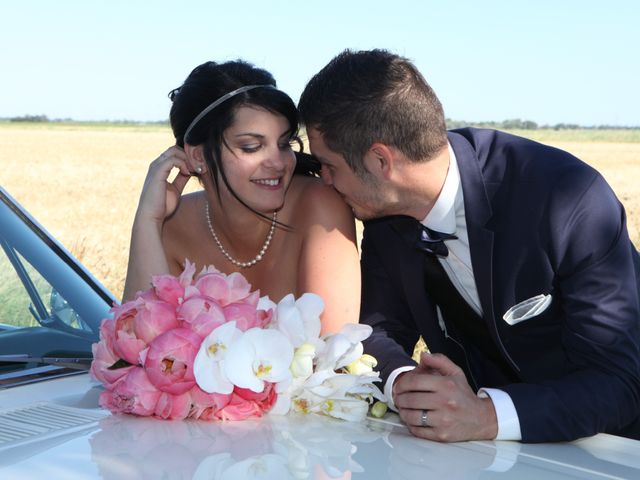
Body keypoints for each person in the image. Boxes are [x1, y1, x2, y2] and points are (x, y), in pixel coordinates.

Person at [298, 49, 640, 443]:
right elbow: (376, 330)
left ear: (380, 160)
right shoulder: (384, 215)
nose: (323, 180)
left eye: (329, 165)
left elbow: (618, 382)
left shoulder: (568, 201)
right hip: (482, 457)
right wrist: (407, 384)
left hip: (613, 444)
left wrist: (486, 416)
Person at [123, 60, 360, 334]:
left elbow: (334, 354)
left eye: (284, 144)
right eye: (251, 146)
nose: (279, 162)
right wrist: (147, 219)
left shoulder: (319, 208)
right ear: (198, 155)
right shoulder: (173, 224)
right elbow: (137, 346)